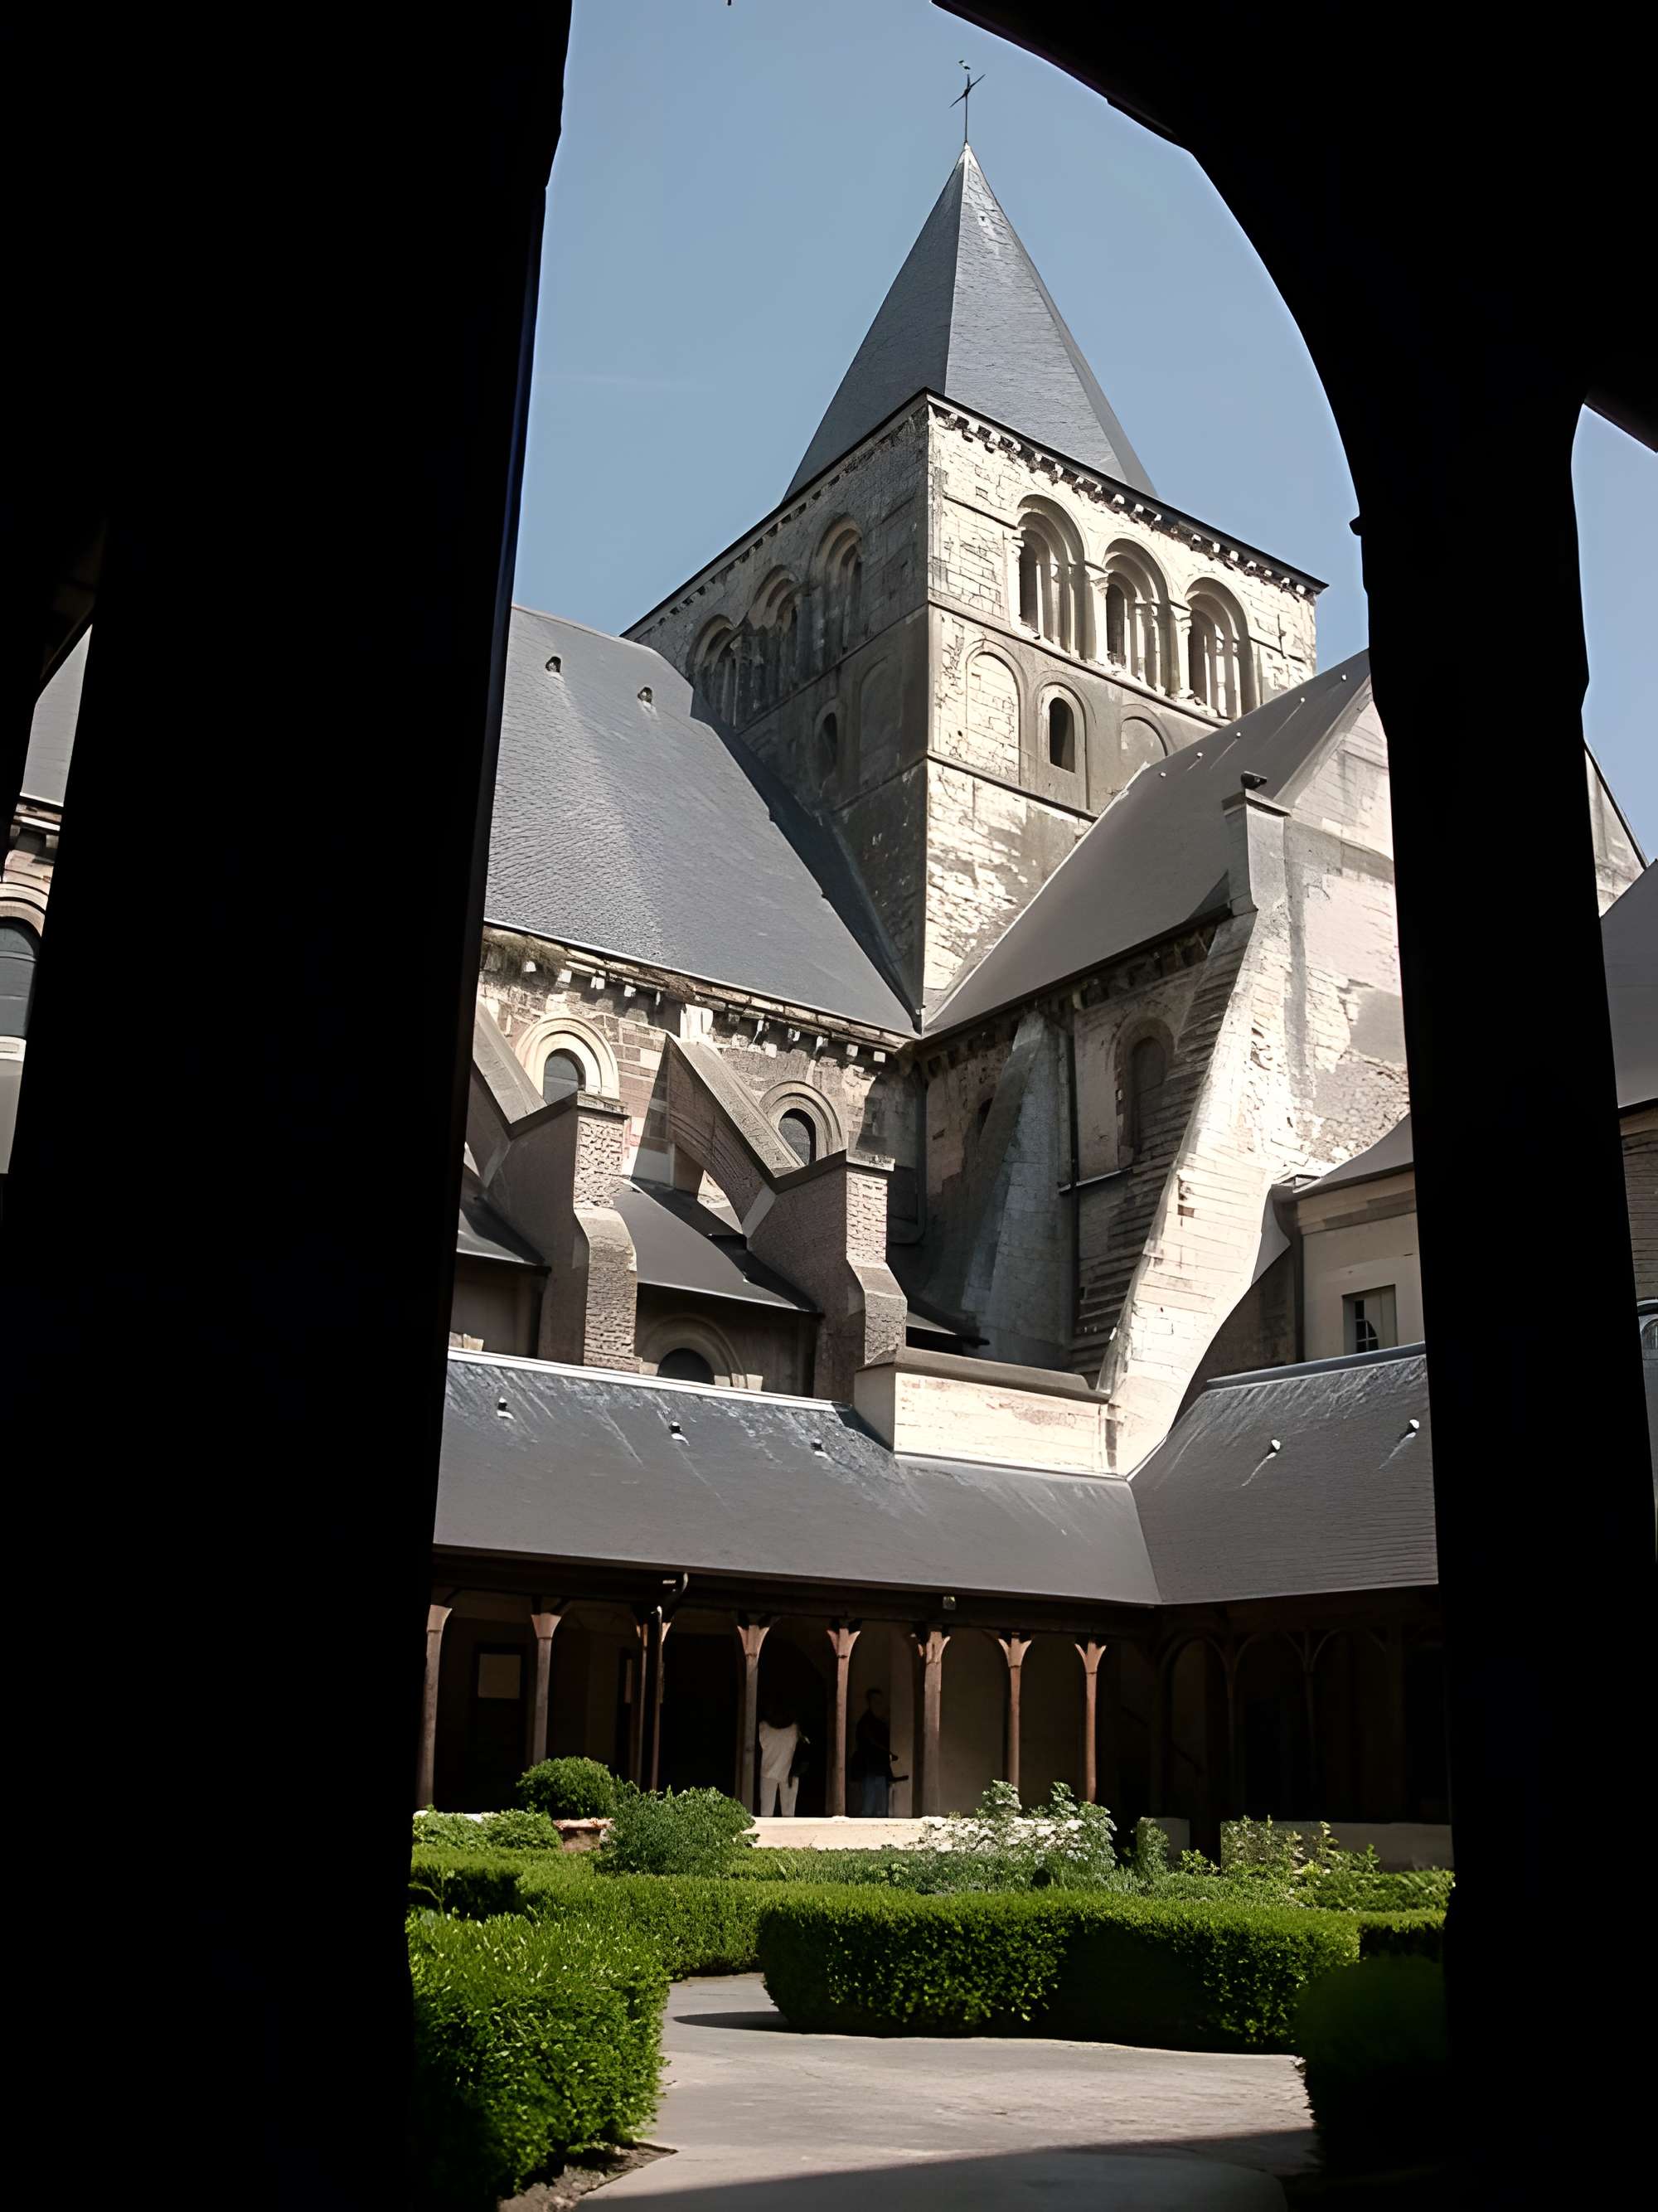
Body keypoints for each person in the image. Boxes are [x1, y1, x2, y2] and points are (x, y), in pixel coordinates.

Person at [852, 1687, 894, 1817]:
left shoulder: (879, 1722)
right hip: (869, 1769)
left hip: (880, 1769)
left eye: (880, 1701)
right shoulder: (865, 1723)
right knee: (869, 1807)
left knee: (881, 1808)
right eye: (875, 1701)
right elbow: (871, 1744)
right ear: (869, 1702)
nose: (879, 1704)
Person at [756, 1705, 805, 1817]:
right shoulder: (795, 1728)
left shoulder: (762, 1727)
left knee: (766, 1813)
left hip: (769, 1772)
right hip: (789, 1774)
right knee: (788, 1814)